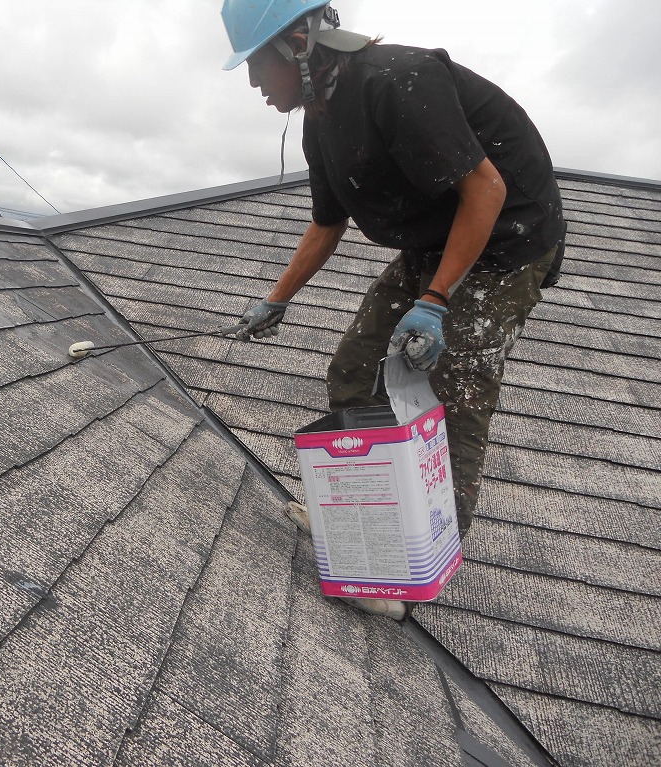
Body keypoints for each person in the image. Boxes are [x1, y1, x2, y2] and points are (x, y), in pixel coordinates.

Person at [221, 0, 566, 619]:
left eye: (255, 65)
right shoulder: (320, 121)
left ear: (297, 42)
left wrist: (435, 301)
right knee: (356, 368)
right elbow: (327, 224)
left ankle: (415, 567)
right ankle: (364, 523)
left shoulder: (395, 81)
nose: (252, 84)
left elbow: (488, 189)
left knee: (446, 388)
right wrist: (276, 298)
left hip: (505, 241)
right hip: (432, 240)